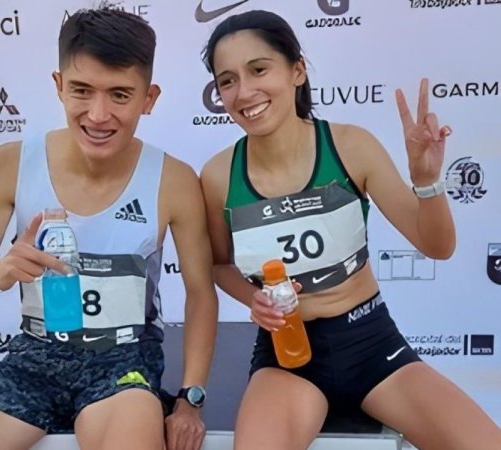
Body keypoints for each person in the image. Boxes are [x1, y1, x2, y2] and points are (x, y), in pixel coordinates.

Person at [199, 9, 501, 450]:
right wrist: (256, 300)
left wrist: (427, 182)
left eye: (259, 69)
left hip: (371, 343)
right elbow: (218, 265)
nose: (244, 91)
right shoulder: (217, 176)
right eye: (227, 81)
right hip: (288, 357)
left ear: (297, 70)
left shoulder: (350, 145)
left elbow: (437, 246)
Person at [0, 8, 217, 450]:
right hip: (34, 360)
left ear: (148, 98)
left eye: (120, 95)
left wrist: (190, 400)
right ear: (59, 86)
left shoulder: (173, 180)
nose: (98, 115)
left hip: (123, 364)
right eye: (81, 90)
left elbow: (201, 295)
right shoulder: (10, 163)